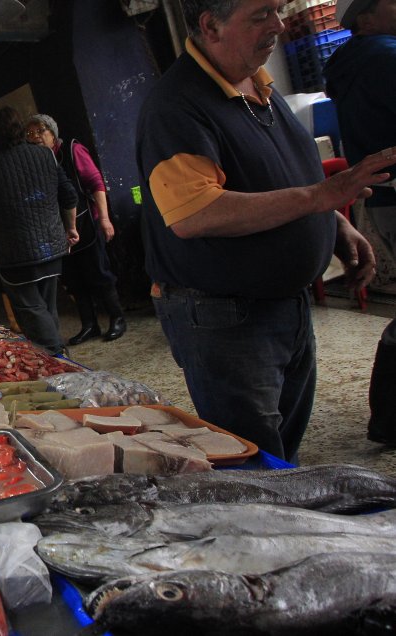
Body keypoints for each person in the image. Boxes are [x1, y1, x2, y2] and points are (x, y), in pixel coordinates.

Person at [137, 0, 396, 462]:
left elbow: (277, 175)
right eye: (260, 15)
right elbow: (196, 214)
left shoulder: (259, 84)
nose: (278, 25)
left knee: (282, 448)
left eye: (277, 10)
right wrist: (321, 197)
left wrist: (333, 224)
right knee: (252, 458)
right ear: (211, 26)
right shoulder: (177, 105)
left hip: (282, 305)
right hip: (225, 316)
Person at [324, 0, 396, 445]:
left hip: (385, 198)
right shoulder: (385, 57)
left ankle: (387, 418)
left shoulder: (354, 63)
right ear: (365, 18)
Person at [0, 106, 80, 354]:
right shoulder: (45, 155)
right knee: (46, 306)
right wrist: (71, 228)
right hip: (52, 247)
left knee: (30, 308)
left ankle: (56, 356)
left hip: (14, 254)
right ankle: (57, 355)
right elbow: (69, 195)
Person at [25, 113, 127, 344]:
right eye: (31, 133)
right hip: (57, 230)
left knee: (98, 272)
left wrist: (104, 219)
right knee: (74, 279)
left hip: (86, 223)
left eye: (41, 131)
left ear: (53, 133)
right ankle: (89, 324)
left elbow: (96, 183)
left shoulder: (71, 150)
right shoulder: (35, 161)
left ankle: (117, 317)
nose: (36, 137)